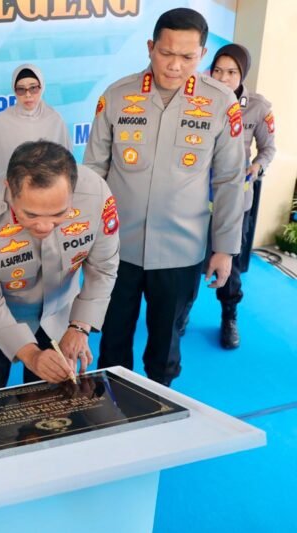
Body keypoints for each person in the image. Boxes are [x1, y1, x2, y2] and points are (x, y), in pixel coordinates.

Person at [84, 8, 245, 386]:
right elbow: (92, 172)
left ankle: (160, 409)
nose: (174, 66)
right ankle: (110, 409)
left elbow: (229, 180)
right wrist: (87, 239)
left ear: (202, 55)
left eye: (187, 57)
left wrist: (224, 248)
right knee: (112, 343)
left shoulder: (221, 103)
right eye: (166, 53)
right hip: (117, 248)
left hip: (181, 250)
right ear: (150, 47)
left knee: (166, 347)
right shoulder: (117, 96)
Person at [0, 140, 120, 394]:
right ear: (9, 188)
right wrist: (31, 355)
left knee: (51, 404)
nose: (44, 226)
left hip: (58, 313)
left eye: (58, 215)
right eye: (30, 215)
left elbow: (103, 267)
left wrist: (79, 327)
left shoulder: (98, 195)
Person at [206, 44, 275, 348]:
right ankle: (178, 318)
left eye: (231, 72)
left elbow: (269, 148)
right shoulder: (197, 99)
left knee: (228, 263)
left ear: (242, 74)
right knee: (186, 264)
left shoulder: (258, 106)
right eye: (218, 70)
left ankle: (229, 315)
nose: (223, 78)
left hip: (235, 201)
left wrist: (257, 167)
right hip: (195, 200)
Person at [0, 63, 72, 180]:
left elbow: (63, 159)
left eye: (33, 88)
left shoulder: (55, 119)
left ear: (42, 87)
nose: (28, 95)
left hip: (47, 188)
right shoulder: (0, 121)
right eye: (21, 89)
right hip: (11, 188)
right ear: (14, 90)